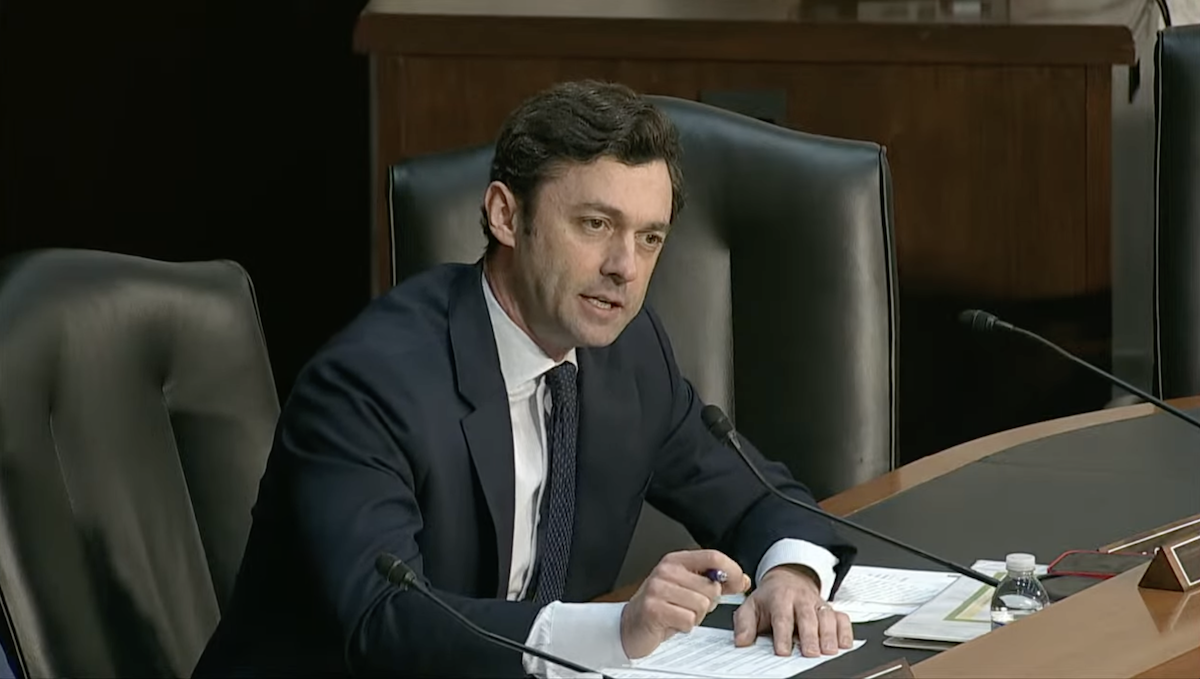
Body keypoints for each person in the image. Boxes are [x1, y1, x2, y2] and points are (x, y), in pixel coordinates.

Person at [193, 80, 857, 678]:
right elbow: (381, 621)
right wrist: (614, 631)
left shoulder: (629, 355)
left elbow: (754, 497)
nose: (626, 267)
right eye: (596, 224)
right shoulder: (368, 385)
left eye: (650, 238)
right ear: (506, 216)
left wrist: (790, 574)